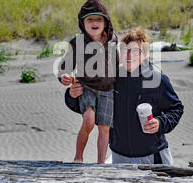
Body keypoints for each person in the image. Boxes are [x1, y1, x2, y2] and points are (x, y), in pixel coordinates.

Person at [64, 28, 183, 165]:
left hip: (154, 156)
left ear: (144, 54)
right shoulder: (110, 78)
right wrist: (72, 95)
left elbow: (176, 109)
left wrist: (161, 122)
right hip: (119, 157)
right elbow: (86, 103)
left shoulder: (157, 79)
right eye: (125, 50)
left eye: (135, 51)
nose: (129, 55)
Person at [58, 0, 118, 164]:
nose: (94, 22)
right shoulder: (77, 42)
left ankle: (100, 164)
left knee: (104, 128)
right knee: (89, 120)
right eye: (90, 19)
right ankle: (78, 157)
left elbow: (117, 63)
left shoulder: (113, 40)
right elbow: (64, 66)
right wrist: (63, 77)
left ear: (105, 22)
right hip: (87, 87)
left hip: (108, 90)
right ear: (82, 22)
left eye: (99, 19)